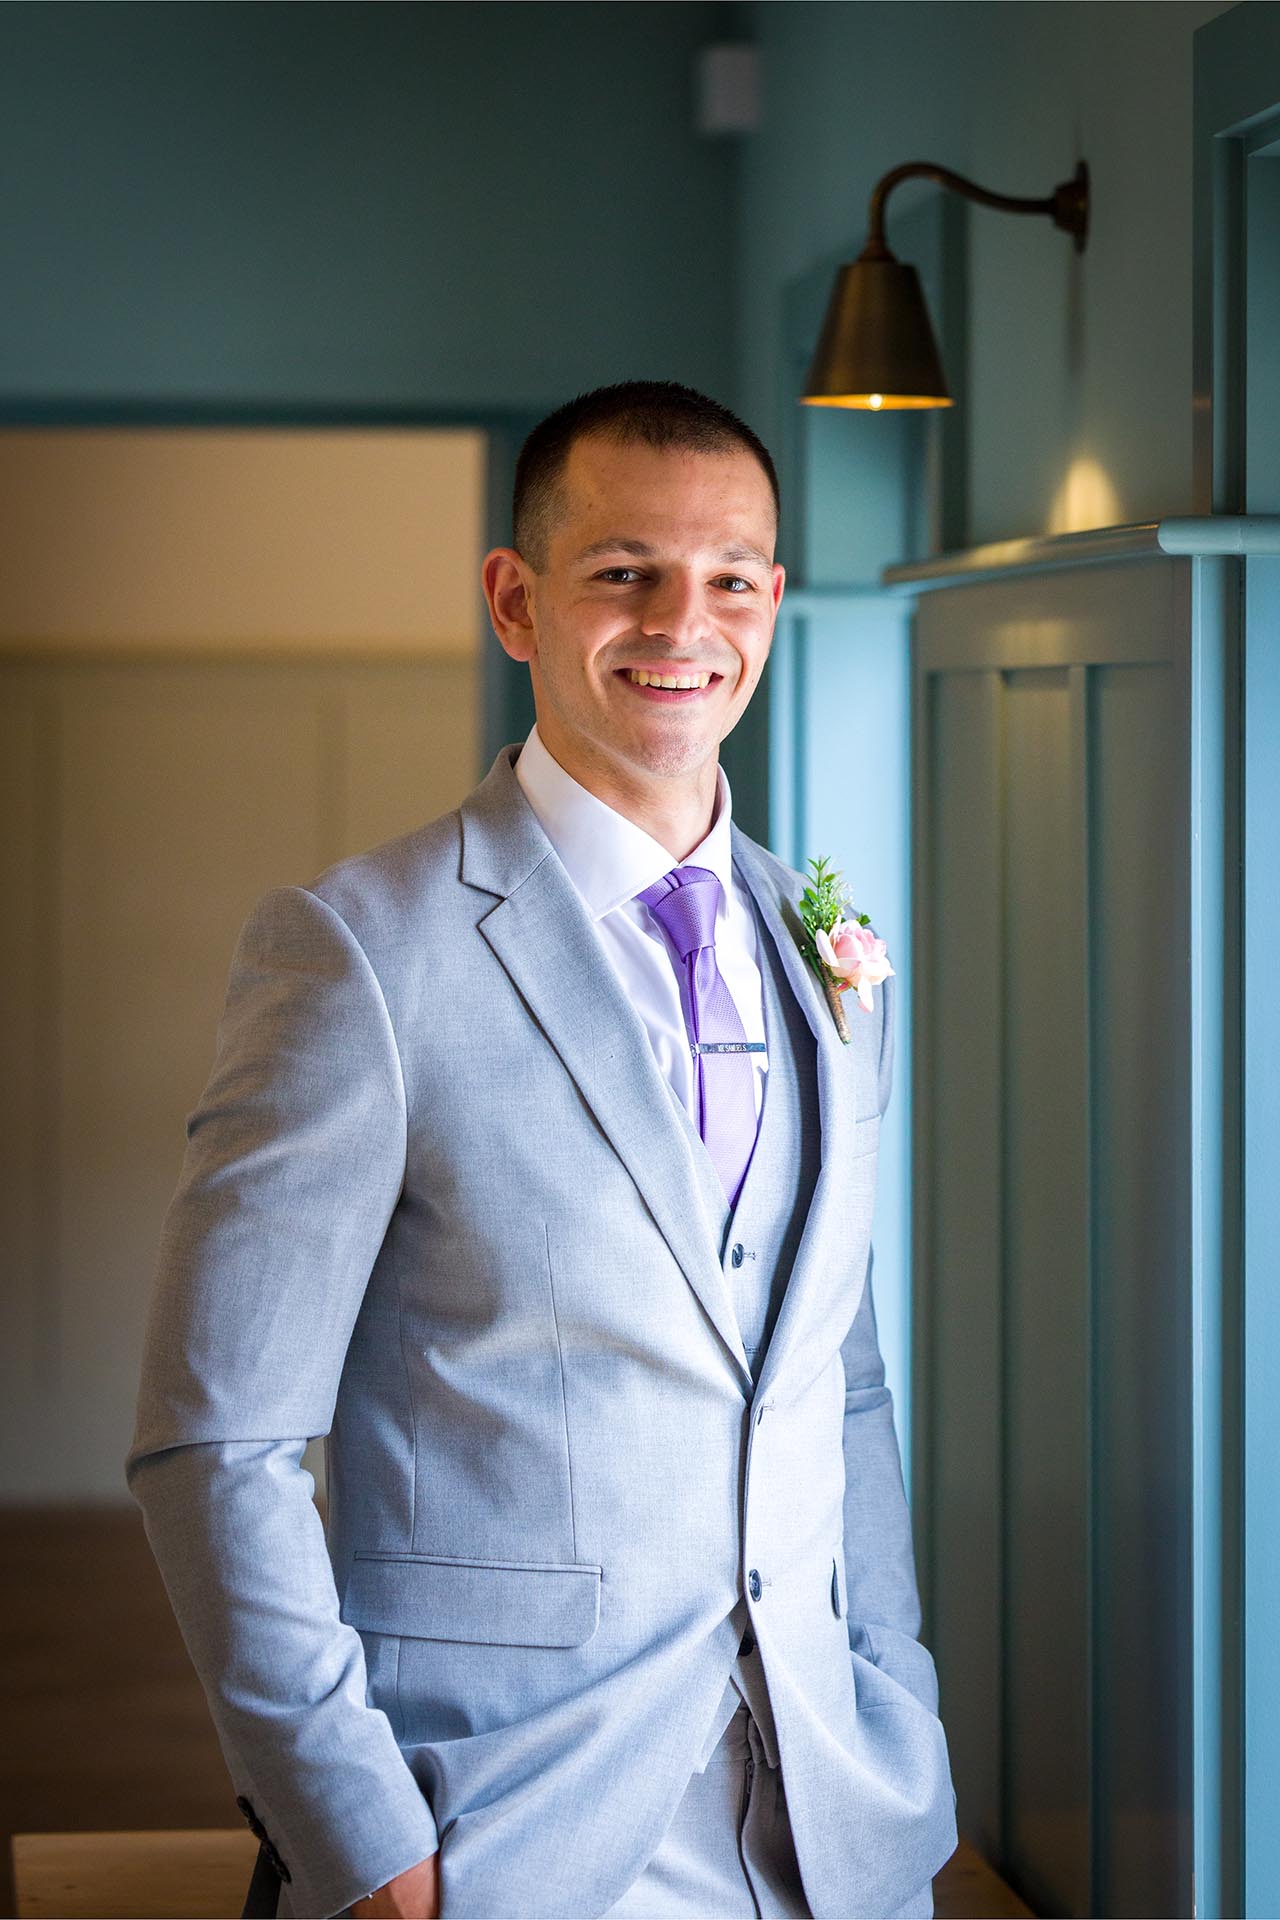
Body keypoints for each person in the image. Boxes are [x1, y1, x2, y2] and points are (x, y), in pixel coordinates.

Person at [127, 381, 956, 1920]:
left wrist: (891, 1698)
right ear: (515, 600)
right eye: (624, 572)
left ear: (772, 603)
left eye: (728, 580)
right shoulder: (361, 954)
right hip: (496, 1827)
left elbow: (836, 1375)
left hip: (831, 1833)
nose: (681, 624)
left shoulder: (828, 949)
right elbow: (213, 1438)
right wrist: (360, 1834)